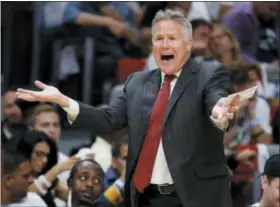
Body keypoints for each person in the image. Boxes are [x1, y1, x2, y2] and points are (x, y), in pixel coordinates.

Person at [17, 9, 241, 207]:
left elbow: (217, 102)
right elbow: (108, 119)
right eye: (158, 39)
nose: (164, 45)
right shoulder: (137, 82)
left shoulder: (208, 74)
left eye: (172, 38)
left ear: (189, 44)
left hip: (194, 198)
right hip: (146, 197)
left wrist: (220, 113)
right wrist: (63, 101)